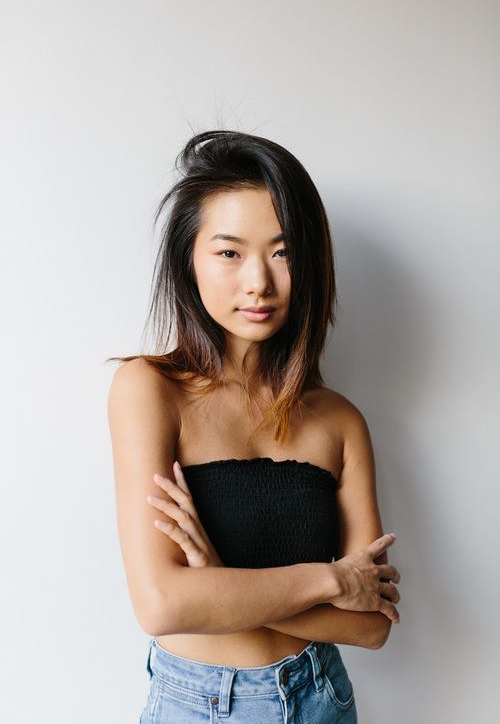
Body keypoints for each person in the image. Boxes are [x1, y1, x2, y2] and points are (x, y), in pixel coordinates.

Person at [106, 129, 402, 723]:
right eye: (229, 253)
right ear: (189, 260)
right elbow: (162, 604)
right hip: (198, 704)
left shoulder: (339, 420)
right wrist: (330, 580)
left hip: (321, 697)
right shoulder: (149, 389)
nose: (259, 282)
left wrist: (220, 582)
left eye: (283, 252)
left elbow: (371, 626)